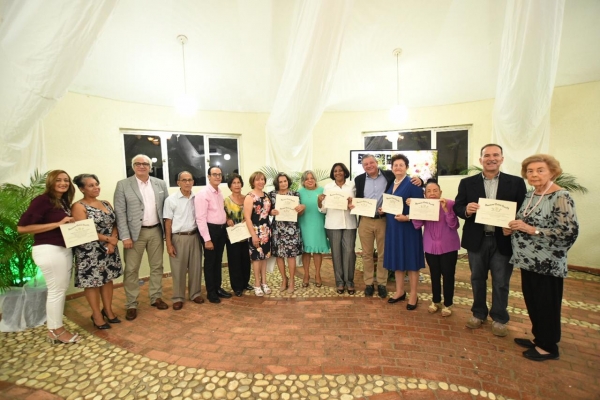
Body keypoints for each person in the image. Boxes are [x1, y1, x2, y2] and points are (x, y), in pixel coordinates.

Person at [506, 155, 578, 361]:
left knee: (547, 304)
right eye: (530, 171)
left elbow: (569, 232)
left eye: (540, 170)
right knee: (534, 301)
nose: (534, 174)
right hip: (528, 261)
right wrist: (512, 228)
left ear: (552, 172)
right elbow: (523, 221)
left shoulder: (561, 196)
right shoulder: (531, 195)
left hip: (548, 262)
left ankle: (549, 347)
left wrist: (532, 230)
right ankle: (539, 338)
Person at [454, 143, 527, 337]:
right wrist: (466, 211)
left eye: (496, 155)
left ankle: (500, 318)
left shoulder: (516, 183)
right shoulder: (467, 183)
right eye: (487, 155)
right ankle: (478, 313)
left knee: (501, 281)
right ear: (481, 160)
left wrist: (515, 224)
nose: (491, 158)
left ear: (502, 159)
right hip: (477, 239)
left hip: (503, 240)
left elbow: (524, 212)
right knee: (477, 278)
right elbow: (458, 207)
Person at [17, 170, 81, 344]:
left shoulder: (62, 202)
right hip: (49, 250)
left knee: (58, 290)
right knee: (56, 292)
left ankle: (55, 329)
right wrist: (58, 224)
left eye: (66, 180)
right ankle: (56, 331)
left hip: (62, 249)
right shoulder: (42, 200)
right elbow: (22, 228)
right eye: (59, 180)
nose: (63, 183)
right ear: (51, 182)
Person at [354, 154, 422, 298]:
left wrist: (420, 180)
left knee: (383, 253)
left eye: (371, 162)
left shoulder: (388, 176)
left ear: (377, 163)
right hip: (365, 220)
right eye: (366, 164)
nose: (369, 165)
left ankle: (382, 284)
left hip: (383, 221)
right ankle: (368, 284)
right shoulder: (359, 179)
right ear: (362, 166)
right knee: (366, 254)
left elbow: (407, 181)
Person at [114, 154, 170, 321]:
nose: (141, 166)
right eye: (137, 163)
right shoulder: (123, 185)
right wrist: (125, 236)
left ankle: (156, 297)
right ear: (133, 166)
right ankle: (131, 304)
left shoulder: (160, 184)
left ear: (150, 167)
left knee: (157, 266)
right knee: (131, 269)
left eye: (145, 164)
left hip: (155, 231)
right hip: (133, 234)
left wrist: (167, 234)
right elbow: (120, 213)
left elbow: (166, 210)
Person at [72, 174, 123, 330]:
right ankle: (96, 315)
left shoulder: (106, 203)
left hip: (109, 249)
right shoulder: (78, 206)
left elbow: (115, 223)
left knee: (108, 279)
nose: (96, 187)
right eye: (91, 185)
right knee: (93, 283)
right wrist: (108, 240)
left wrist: (113, 241)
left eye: (96, 184)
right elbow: (84, 230)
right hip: (90, 251)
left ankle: (108, 310)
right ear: (81, 189)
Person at [410, 180, 460, 316]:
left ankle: (448, 304)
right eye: (429, 191)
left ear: (440, 192)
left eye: (435, 191)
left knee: (448, 275)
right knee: (434, 275)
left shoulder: (449, 203)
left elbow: (454, 225)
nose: (432, 193)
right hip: (430, 246)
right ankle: (436, 300)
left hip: (448, 246)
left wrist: (446, 210)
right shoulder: (424, 205)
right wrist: (414, 209)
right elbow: (417, 224)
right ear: (425, 194)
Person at [382, 154, 425, 310]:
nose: (398, 167)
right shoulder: (391, 184)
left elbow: (421, 208)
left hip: (408, 228)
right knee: (398, 260)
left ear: (406, 167)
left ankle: (413, 294)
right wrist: (383, 209)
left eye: (401, 165)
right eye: (395, 165)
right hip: (393, 228)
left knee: (412, 262)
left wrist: (407, 217)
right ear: (392, 168)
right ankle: (400, 291)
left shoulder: (413, 183)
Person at [163, 171, 204, 310]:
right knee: (178, 269)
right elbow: (167, 223)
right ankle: (178, 297)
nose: (187, 182)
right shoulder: (171, 200)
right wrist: (169, 244)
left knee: (196, 267)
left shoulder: (197, 198)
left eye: (190, 180)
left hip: (194, 236)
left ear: (193, 182)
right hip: (178, 237)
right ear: (178, 182)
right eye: (184, 180)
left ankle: (195, 293)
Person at [317, 163, 357, 295]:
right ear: (332, 173)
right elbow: (323, 209)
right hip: (333, 224)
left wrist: (353, 202)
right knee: (336, 253)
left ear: (345, 172)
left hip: (349, 223)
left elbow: (357, 203)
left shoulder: (352, 185)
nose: (338, 173)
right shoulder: (328, 187)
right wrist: (320, 201)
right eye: (335, 171)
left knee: (350, 252)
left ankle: (349, 282)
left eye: (340, 170)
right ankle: (339, 282)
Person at [195, 166, 232, 304]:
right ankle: (211, 292)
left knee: (218, 262)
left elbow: (220, 211)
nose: (217, 177)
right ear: (208, 176)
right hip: (210, 231)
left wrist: (227, 220)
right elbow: (200, 218)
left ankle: (218, 288)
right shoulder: (203, 194)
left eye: (219, 174)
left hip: (221, 230)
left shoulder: (219, 192)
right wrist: (207, 239)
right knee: (210, 263)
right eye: (214, 174)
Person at [269, 173, 304, 294]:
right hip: (277, 229)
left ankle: (292, 281)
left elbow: (300, 214)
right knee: (279, 255)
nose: (283, 183)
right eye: (280, 182)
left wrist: (301, 208)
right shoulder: (272, 195)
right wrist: (271, 212)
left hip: (292, 229)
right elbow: (268, 211)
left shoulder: (295, 194)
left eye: (285, 181)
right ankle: (284, 279)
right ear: (277, 183)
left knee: (291, 256)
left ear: (288, 181)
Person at [298, 170, 330, 288]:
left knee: (317, 251)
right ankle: (306, 275)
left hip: (318, 224)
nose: (310, 180)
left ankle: (317, 275)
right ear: (303, 182)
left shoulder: (322, 191)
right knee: (305, 251)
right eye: (307, 179)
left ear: (315, 179)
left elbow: (327, 208)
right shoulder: (299, 193)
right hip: (304, 224)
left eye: (312, 178)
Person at [243, 171, 272, 296]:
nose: (260, 182)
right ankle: (256, 283)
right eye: (257, 180)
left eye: (262, 179)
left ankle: (264, 282)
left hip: (266, 231)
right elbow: (247, 218)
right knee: (256, 258)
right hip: (255, 231)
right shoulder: (250, 197)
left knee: (265, 257)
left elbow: (266, 213)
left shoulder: (266, 196)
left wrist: (273, 212)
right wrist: (253, 235)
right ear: (253, 182)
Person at [224, 174, 253, 296]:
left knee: (246, 260)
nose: (237, 185)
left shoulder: (247, 198)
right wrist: (227, 219)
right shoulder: (226, 200)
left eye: (238, 182)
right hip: (233, 235)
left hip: (246, 234)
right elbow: (223, 214)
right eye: (234, 183)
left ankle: (245, 282)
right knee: (234, 261)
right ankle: (237, 287)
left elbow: (252, 213)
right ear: (230, 185)